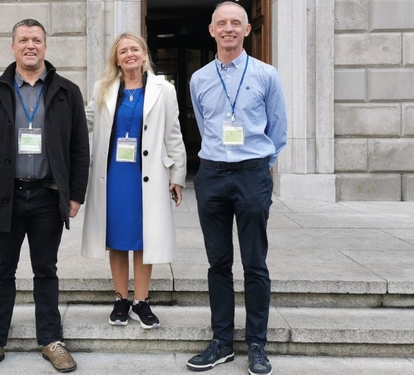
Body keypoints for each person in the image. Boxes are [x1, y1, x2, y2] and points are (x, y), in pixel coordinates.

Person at [0, 18, 89, 375]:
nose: (30, 46)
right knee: (2, 271)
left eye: (36, 40)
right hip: (5, 198)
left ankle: (51, 340)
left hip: (48, 198)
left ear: (45, 46)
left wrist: (75, 194)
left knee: (45, 270)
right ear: (13, 46)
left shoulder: (67, 91)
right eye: (23, 40)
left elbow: (80, 148)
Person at [185, 2, 287, 375]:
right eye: (221, 23)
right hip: (211, 174)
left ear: (246, 30)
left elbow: (278, 130)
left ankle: (257, 344)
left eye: (236, 23)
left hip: (251, 174)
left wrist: (260, 165)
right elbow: (205, 125)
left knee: (255, 263)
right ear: (212, 31)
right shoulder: (200, 79)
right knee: (218, 263)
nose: (228, 28)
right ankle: (222, 342)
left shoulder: (266, 75)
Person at [81, 33, 187, 329]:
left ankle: (141, 301)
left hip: (147, 174)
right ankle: (120, 299)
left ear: (144, 54)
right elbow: (84, 121)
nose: (129, 54)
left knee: (144, 236)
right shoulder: (103, 88)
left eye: (135, 49)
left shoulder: (163, 90)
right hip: (114, 174)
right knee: (116, 236)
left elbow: (173, 135)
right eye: (123, 51)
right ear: (116, 58)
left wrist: (178, 174)